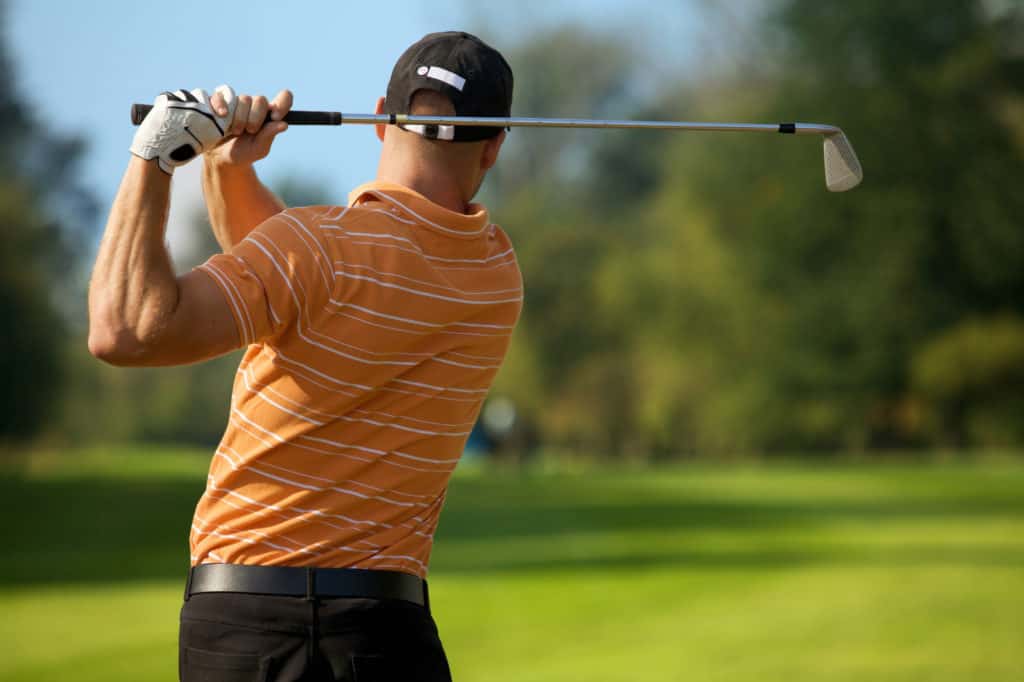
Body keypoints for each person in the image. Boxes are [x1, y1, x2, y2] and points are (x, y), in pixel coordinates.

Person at [88, 32, 519, 681]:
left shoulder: (312, 248)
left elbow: (124, 330)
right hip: (384, 630)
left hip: (240, 621)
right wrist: (231, 170)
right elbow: (302, 292)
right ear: (494, 145)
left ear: (381, 116)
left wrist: (154, 156)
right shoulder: (495, 276)